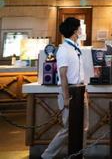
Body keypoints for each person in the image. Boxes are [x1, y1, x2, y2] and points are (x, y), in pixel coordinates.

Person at [42, 17, 85, 159]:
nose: (81, 30)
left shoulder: (75, 48)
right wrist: (66, 97)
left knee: (83, 126)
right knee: (68, 128)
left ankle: (80, 154)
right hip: (70, 92)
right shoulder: (64, 50)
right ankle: (47, 156)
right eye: (79, 27)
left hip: (79, 90)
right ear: (75, 31)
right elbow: (63, 74)